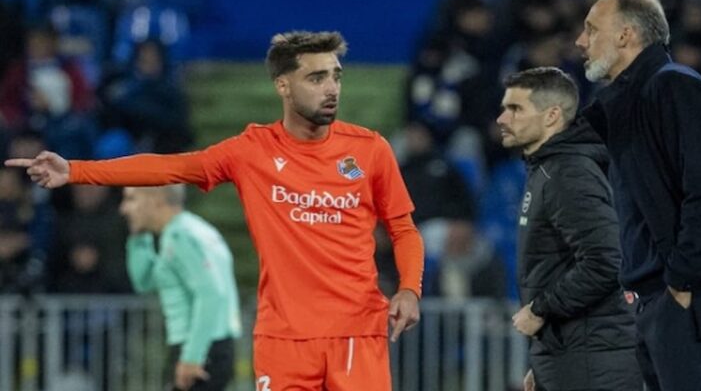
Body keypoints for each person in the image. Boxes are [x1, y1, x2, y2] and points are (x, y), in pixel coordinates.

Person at [6, 31, 424, 391]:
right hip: (282, 339)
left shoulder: (369, 149)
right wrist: (76, 170)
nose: (332, 88)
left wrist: (409, 288)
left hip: (356, 331)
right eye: (316, 77)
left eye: (336, 76)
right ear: (283, 86)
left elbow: (403, 228)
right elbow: (171, 166)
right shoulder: (252, 151)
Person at [575, 0, 701, 391]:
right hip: (650, 300)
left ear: (626, 35)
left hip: (680, 297)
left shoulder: (676, 87)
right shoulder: (626, 103)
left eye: (592, 29)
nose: (581, 41)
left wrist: (682, 280)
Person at [498, 66, 641, 391]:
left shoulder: (568, 173)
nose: (502, 119)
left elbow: (606, 261)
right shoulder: (549, 168)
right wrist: (547, 361)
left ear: (551, 116)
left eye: (515, 109)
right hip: (574, 354)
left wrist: (540, 308)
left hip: (593, 358)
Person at [120, 185, 240, 391]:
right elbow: (145, 282)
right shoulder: (191, 230)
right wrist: (138, 237)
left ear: (155, 199)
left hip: (201, 349)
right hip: (209, 346)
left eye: (132, 199)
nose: (124, 209)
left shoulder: (181, 237)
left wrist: (192, 357)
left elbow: (211, 294)